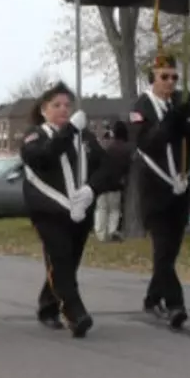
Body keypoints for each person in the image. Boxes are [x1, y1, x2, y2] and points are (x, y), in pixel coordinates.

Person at [21, 82, 124, 337]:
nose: (63, 110)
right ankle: (75, 314)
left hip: (80, 212)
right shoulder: (34, 137)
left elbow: (108, 167)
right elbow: (43, 158)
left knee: (67, 263)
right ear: (44, 110)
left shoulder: (84, 137)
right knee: (61, 259)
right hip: (48, 213)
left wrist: (91, 189)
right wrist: (68, 132)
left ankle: (48, 306)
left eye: (67, 105)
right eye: (56, 105)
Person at [128, 54, 190, 329]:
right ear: (153, 77)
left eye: (175, 77)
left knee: (170, 250)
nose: (171, 82)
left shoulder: (187, 101)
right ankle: (175, 304)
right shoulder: (142, 106)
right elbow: (146, 143)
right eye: (165, 76)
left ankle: (152, 298)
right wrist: (169, 122)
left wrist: (183, 121)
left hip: (180, 185)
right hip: (153, 187)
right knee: (162, 247)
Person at [94, 120, 129, 242]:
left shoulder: (105, 146)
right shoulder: (126, 148)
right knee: (114, 209)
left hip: (101, 183)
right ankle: (112, 232)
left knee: (101, 209)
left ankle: (100, 234)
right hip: (117, 183)